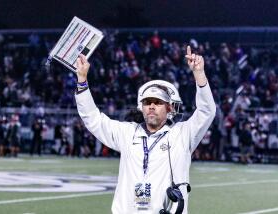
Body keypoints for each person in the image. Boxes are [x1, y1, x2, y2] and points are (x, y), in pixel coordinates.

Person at [74, 46, 216, 214]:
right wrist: (82, 80)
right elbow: (93, 119)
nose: (152, 106)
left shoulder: (183, 134)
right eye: (148, 102)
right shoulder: (127, 133)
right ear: (141, 107)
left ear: (170, 108)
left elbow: (207, 111)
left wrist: (199, 74)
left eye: (158, 102)